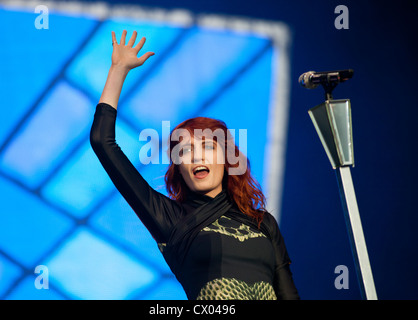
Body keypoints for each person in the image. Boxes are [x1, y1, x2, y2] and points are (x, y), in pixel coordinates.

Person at [90, 30, 299, 300]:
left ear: (227, 160)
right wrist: (118, 70)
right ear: (179, 170)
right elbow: (102, 142)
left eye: (208, 147)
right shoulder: (171, 218)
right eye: (186, 151)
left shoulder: (263, 223)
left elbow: (289, 295)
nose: (197, 157)